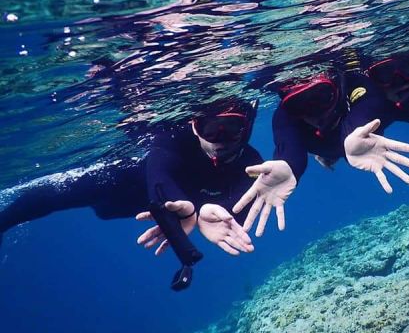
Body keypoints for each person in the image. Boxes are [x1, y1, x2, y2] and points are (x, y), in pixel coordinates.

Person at [0, 99, 258, 257]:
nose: (220, 141)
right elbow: (157, 168)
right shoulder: (173, 138)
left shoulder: (252, 164)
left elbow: (244, 212)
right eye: (210, 129)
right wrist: (181, 205)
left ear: (245, 130)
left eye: (233, 129)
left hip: (138, 208)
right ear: (194, 126)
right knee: (60, 192)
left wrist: (209, 212)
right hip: (124, 185)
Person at [232, 69, 409, 238]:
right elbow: (289, 148)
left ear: (337, 87)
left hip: (358, 142)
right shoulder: (285, 117)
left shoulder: (355, 84)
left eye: (322, 97)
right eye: (299, 104)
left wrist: (352, 135)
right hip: (350, 148)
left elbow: (368, 104)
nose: (315, 113)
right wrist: (289, 165)